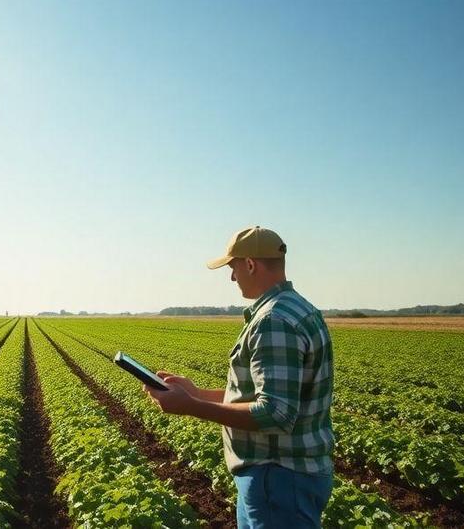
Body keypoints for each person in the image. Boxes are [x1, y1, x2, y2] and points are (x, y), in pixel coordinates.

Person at [142, 225, 334, 528]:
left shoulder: (274, 320)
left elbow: (276, 413)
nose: (232, 277)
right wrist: (196, 393)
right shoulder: (298, 309)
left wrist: (189, 407)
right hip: (284, 478)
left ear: (249, 264)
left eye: (233, 268)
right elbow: (265, 395)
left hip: (278, 478)